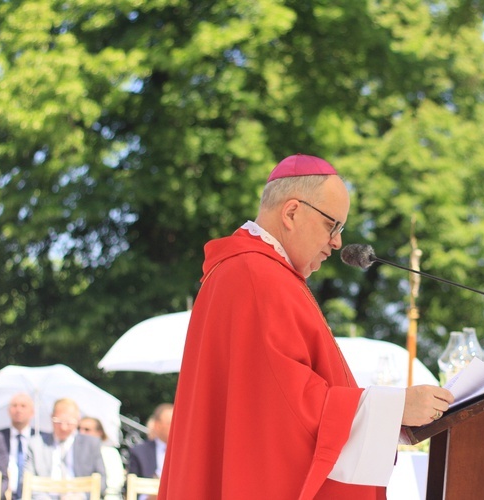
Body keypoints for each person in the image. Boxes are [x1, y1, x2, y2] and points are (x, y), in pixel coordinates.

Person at [157, 154, 454, 499]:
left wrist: (390, 415)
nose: (338, 242)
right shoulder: (257, 276)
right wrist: (394, 407)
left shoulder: (255, 273)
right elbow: (282, 413)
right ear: (292, 212)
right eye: (333, 225)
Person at [25, 398, 106, 499]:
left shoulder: (91, 444)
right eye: (58, 421)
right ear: (51, 417)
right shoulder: (36, 444)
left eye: (69, 422)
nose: (63, 427)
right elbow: (26, 480)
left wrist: (81, 496)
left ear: (78, 420)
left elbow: (101, 480)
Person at [0, 392, 45, 499]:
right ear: (9, 410)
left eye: (23, 406)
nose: (18, 410)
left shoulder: (42, 439)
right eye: (14, 406)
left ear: (32, 412)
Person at [78, 416, 124, 500]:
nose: (81, 433)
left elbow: (115, 483)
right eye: (79, 429)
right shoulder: (72, 451)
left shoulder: (110, 452)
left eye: (87, 430)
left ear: (99, 432)